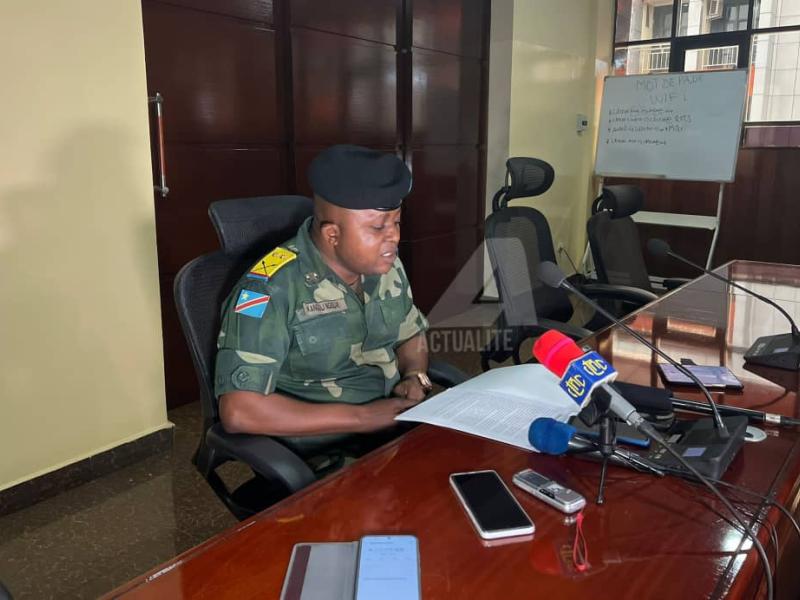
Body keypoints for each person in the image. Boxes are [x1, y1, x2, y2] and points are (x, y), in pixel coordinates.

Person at [214, 145, 432, 439]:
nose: (394, 237)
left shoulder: (386, 264)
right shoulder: (268, 289)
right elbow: (240, 411)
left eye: (396, 223)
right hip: (331, 450)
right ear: (333, 235)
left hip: (397, 427)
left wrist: (414, 374)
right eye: (379, 227)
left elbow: (411, 333)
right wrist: (364, 417)